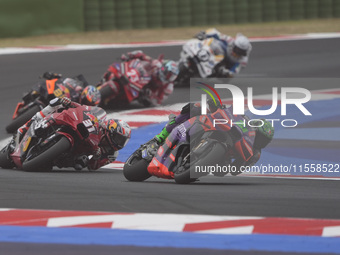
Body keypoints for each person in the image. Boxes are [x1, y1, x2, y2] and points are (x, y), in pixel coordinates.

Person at [149, 100, 274, 176]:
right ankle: (161, 136)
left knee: (220, 171)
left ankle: (191, 164)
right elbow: (230, 113)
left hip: (221, 161)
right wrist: (217, 106)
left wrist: (230, 165)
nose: (260, 142)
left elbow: (236, 171)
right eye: (260, 137)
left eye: (264, 141)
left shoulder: (255, 154)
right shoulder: (245, 121)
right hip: (218, 128)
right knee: (196, 107)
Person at [16, 97, 131, 171]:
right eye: (118, 138)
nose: (119, 142)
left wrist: (96, 157)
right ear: (110, 130)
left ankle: (46, 157)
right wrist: (70, 103)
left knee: (81, 163)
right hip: (76, 131)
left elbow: (93, 167)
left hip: (76, 153)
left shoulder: (112, 154)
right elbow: (85, 109)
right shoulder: (100, 124)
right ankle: (31, 123)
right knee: (57, 103)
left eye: (122, 141)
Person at [99, 51, 179, 106]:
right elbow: (142, 55)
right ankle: (104, 80)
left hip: (139, 91)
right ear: (163, 68)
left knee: (122, 104)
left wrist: (150, 96)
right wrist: (130, 55)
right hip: (133, 75)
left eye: (171, 76)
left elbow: (158, 101)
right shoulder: (156, 64)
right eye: (168, 74)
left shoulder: (168, 87)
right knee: (113, 71)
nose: (168, 77)